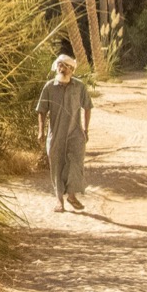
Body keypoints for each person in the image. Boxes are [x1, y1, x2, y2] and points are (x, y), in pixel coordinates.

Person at [35, 53, 92, 212]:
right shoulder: (49, 87)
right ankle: (59, 201)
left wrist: (86, 129)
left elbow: (87, 107)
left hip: (75, 134)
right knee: (57, 167)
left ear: (72, 69)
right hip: (56, 136)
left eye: (65, 67)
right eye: (60, 66)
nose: (62, 69)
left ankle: (72, 196)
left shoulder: (79, 86)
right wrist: (41, 131)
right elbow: (41, 110)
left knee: (75, 164)